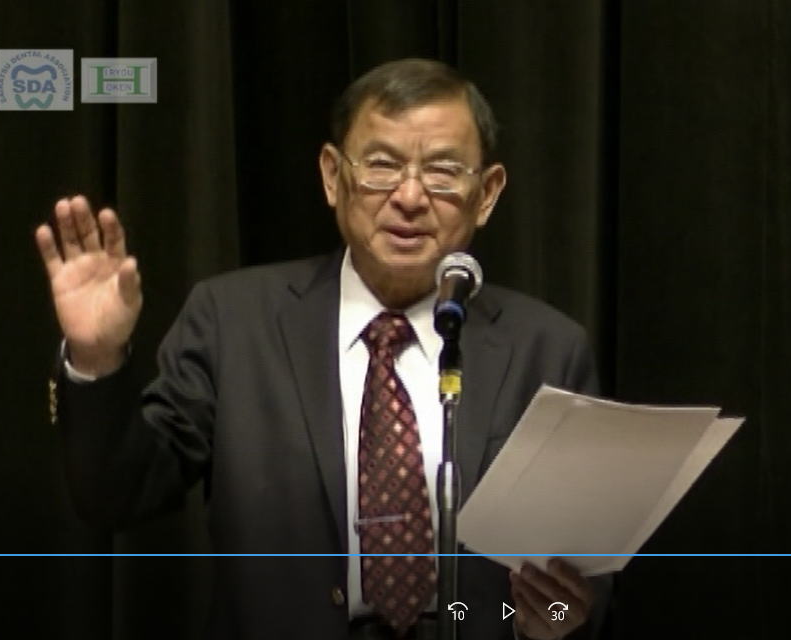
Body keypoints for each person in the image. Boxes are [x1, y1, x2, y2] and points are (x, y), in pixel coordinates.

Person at [36, 58, 610, 640]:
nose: (410, 197)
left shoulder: (546, 348)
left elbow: (585, 577)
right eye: (382, 165)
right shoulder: (234, 321)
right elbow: (117, 494)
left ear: (485, 194)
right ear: (333, 176)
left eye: (442, 172)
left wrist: (557, 621)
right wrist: (96, 358)